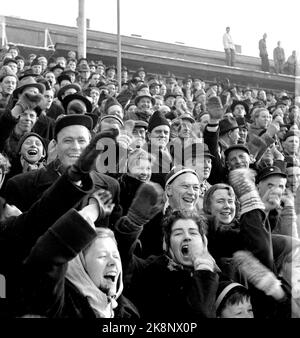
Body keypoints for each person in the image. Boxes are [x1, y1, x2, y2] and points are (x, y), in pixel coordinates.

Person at [20, 190, 139, 318]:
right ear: (80, 267)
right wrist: (90, 213)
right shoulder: (61, 308)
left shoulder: (127, 312)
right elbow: (47, 257)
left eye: (116, 256)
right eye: (102, 256)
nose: (113, 262)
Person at [114, 185, 219, 319]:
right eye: (178, 233)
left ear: (204, 242)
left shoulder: (219, 276)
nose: (187, 237)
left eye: (193, 232)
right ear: (166, 244)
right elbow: (122, 259)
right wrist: (132, 224)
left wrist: (204, 269)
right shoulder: (151, 270)